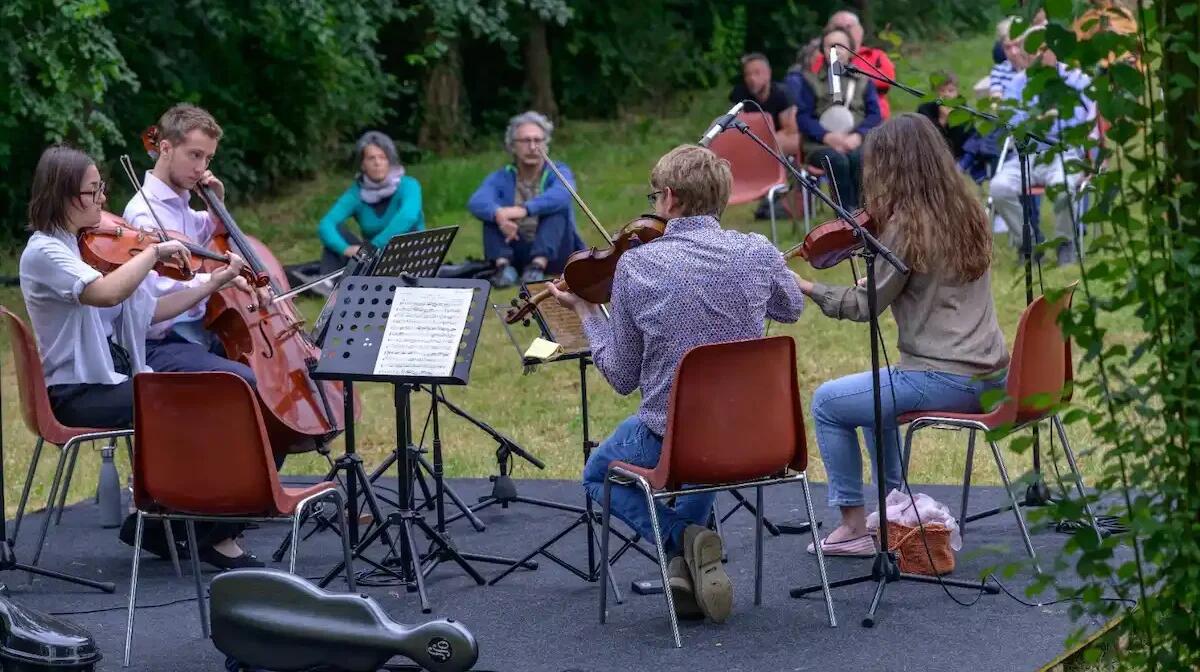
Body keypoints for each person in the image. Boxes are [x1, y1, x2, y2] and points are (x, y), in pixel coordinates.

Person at [549, 145, 806, 622]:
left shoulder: (639, 266)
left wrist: (586, 311)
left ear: (669, 197)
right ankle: (687, 568)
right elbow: (791, 308)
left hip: (677, 439)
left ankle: (682, 541)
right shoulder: (757, 250)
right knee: (701, 457)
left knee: (597, 476)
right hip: (758, 436)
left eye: (654, 196)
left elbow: (621, 376)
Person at [20, 144, 263, 570]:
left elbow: (151, 311)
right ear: (64, 196)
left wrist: (216, 280)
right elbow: (106, 293)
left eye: (102, 188)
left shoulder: (81, 247)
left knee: (216, 392)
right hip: (78, 392)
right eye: (93, 191)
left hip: (111, 379)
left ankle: (176, 525)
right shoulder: (45, 252)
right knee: (199, 401)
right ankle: (203, 529)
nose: (102, 200)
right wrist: (152, 253)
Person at [791, 114, 1009, 557]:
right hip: (993, 376)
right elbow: (932, 282)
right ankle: (894, 508)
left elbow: (864, 306)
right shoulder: (968, 209)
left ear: (890, 167)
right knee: (875, 400)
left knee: (828, 403)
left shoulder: (905, 227)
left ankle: (852, 527)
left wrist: (807, 287)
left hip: (944, 376)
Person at [123, 104, 263, 387]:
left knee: (263, 366)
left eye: (208, 158)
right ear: (165, 148)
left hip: (196, 331)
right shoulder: (144, 215)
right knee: (240, 380)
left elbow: (214, 232)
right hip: (161, 342)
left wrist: (217, 203)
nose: (201, 168)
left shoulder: (181, 206)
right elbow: (158, 294)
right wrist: (216, 280)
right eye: (195, 155)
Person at [990, 28, 1095, 265]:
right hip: (1026, 154)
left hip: (1064, 152)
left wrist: (1041, 120)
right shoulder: (1018, 83)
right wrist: (1043, 118)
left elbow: (1080, 119)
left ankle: (1065, 243)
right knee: (998, 188)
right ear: (1026, 55)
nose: (1039, 54)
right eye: (1033, 50)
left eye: (1044, 49)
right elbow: (1011, 121)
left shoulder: (1075, 79)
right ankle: (1029, 243)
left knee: (1063, 187)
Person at [467, 111, 585, 288]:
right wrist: (499, 215)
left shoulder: (557, 170)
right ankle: (503, 268)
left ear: (545, 145)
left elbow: (563, 193)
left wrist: (523, 210)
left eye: (537, 140)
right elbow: (477, 201)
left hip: (554, 250)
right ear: (512, 146)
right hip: (515, 246)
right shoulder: (502, 176)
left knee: (558, 209)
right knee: (491, 214)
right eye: (525, 141)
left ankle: (537, 267)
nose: (532, 146)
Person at [787, 28, 882, 210]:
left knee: (858, 158)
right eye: (830, 46)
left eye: (841, 46)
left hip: (857, 141)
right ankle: (845, 216)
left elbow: (874, 115)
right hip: (820, 145)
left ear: (851, 50)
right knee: (837, 161)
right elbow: (803, 117)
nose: (836, 50)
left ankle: (863, 213)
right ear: (822, 51)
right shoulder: (810, 81)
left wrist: (858, 136)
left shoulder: (864, 80)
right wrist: (827, 137)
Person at [317, 130, 424, 274]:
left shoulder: (409, 185)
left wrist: (373, 247)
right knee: (336, 233)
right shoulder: (356, 193)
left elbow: (408, 216)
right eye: (371, 158)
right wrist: (345, 249)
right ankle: (329, 283)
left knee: (409, 230)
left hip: (409, 258)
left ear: (390, 161)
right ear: (363, 164)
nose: (377, 163)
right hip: (373, 262)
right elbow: (326, 224)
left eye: (382, 157)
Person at [810, 10, 897, 119]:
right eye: (837, 27)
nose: (844, 31)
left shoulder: (876, 55)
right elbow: (814, 82)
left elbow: (887, 80)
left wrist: (853, 76)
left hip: (873, 118)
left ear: (860, 30)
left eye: (848, 26)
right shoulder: (821, 59)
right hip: (830, 116)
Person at [729, 53, 799, 156]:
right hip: (749, 139)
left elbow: (790, 129)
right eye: (747, 74)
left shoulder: (782, 94)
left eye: (757, 73)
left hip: (776, 141)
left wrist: (766, 142)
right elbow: (734, 126)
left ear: (768, 73)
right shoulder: (739, 94)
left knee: (793, 140)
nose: (752, 78)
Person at [916, 71, 973, 161]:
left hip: (957, 156)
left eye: (951, 91)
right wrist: (943, 119)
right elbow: (926, 139)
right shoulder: (925, 109)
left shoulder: (964, 111)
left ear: (957, 92)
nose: (946, 95)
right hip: (930, 156)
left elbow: (962, 142)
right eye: (942, 91)